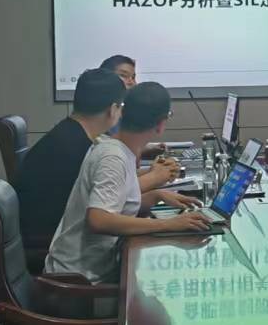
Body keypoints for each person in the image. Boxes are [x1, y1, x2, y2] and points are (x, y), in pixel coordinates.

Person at [45, 81, 209, 283]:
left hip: (94, 271)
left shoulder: (115, 148)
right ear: (161, 124)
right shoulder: (113, 158)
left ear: (122, 112)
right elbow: (99, 219)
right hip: (79, 283)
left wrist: (156, 196)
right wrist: (168, 224)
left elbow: (118, 203)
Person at [15, 68, 176, 266]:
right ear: (114, 110)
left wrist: (155, 192)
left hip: (54, 242)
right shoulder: (79, 147)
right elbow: (100, 215)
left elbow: (110, 190)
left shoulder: (75, 137)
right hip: (56, 252)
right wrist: (166, 221)